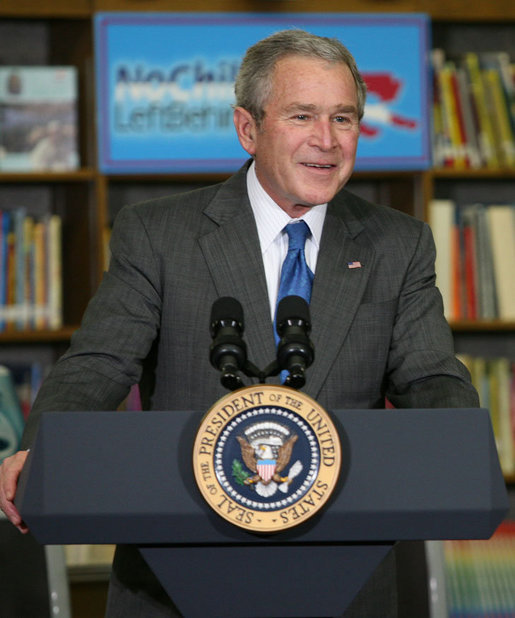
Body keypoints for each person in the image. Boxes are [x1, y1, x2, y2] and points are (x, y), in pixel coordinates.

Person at [0, 29, 478, 617]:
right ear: (247, 129)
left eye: (344, 119)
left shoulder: (399, 244)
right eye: (302, 116)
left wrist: (462, 453)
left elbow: (431, 377)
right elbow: (100, 362)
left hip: (345, 583)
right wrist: (41, 447)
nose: (326, 141)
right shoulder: (160, 233)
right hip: (174, 583)